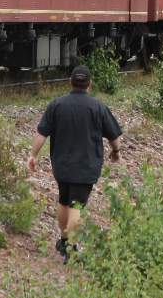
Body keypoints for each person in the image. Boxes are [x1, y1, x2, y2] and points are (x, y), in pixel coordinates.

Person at [27, 64, 123, 262]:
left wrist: (33, 155)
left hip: (61, 164)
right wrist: (116, 151)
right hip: (86, 166)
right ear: (90, 85)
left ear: (70, 82)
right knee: (76, 207)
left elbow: (41, 133)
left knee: (64, 200)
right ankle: (70, 249)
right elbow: (114, 137)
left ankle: (63, 240)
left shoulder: (57, 104)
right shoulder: (98, 107)